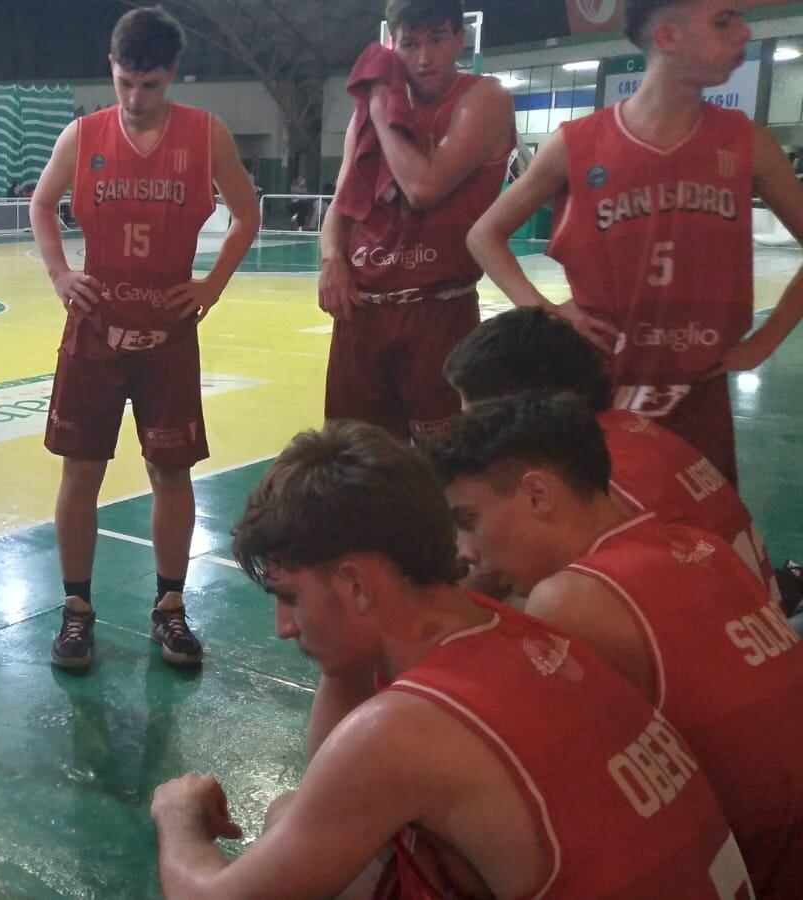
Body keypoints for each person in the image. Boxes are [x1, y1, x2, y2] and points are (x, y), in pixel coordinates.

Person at [151, 420, 748, 897]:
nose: (283, 627)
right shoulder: (507, 620)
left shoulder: (403, 732)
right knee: (295, 820)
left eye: (290, 598)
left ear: (358, 586)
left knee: (293, 839)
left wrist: (178, 816)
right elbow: (328, 787)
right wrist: (340, 656)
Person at [427, 394, 803, 895]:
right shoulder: (696, 544)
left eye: (469, 522)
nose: (468, 552)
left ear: (538, 495)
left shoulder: (572, 600)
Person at [467, 0, 803, 485]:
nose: (744, 33)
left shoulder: (746, 141)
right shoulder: (577, 143)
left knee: (703, 541)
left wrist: (764, 342)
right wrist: (545, 309)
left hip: (698, 394)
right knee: (605, 536)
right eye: (723, 21)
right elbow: (483, 235)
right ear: (667, 37)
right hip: (601, 390)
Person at [30, 5, 259, 670]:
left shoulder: (205, 135)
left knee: (171, 471)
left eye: (150, 85)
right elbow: (42, 204)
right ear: (112, 69)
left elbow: (247, 212)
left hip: (167, 333)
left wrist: (212, 283)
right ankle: (76, 611)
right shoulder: (83, 135)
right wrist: (58, 273)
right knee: (81, 472)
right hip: (95, 330)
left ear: (172, 76)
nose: (135, 98)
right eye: (125, 82)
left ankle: (169, 607)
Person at [443, 306, 783, 605]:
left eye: (475, 410)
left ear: (522, 405)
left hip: (702, 649)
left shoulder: (582, 476)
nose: (464, 421)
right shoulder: (628, 428)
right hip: (756, 627)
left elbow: (479, 587)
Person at [319, 0, 515, 443]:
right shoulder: (369, 113)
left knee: (447, 465)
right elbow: (342, 201)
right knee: (353, 460)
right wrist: (331, 258)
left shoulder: (484, 98)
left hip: (439, 306)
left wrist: (379, 110)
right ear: (393, 44)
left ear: (459, 39)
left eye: (437, 39)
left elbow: (424, 187)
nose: (423, 57)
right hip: (362, 310)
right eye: (410, 44)